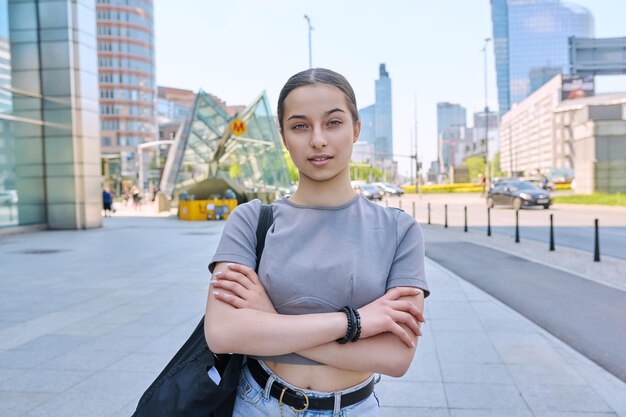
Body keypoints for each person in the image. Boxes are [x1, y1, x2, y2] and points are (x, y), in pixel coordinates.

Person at [205, 68, 429, 417]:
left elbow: (396, 357)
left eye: (334, 122)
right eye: (300, 126)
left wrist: (268, 318)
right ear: (283, 136)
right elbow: (222, 333)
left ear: (356, 129)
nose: (318, 140)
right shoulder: (251, 220)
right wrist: (355, 324)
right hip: (259, 405)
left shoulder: (399, 229)